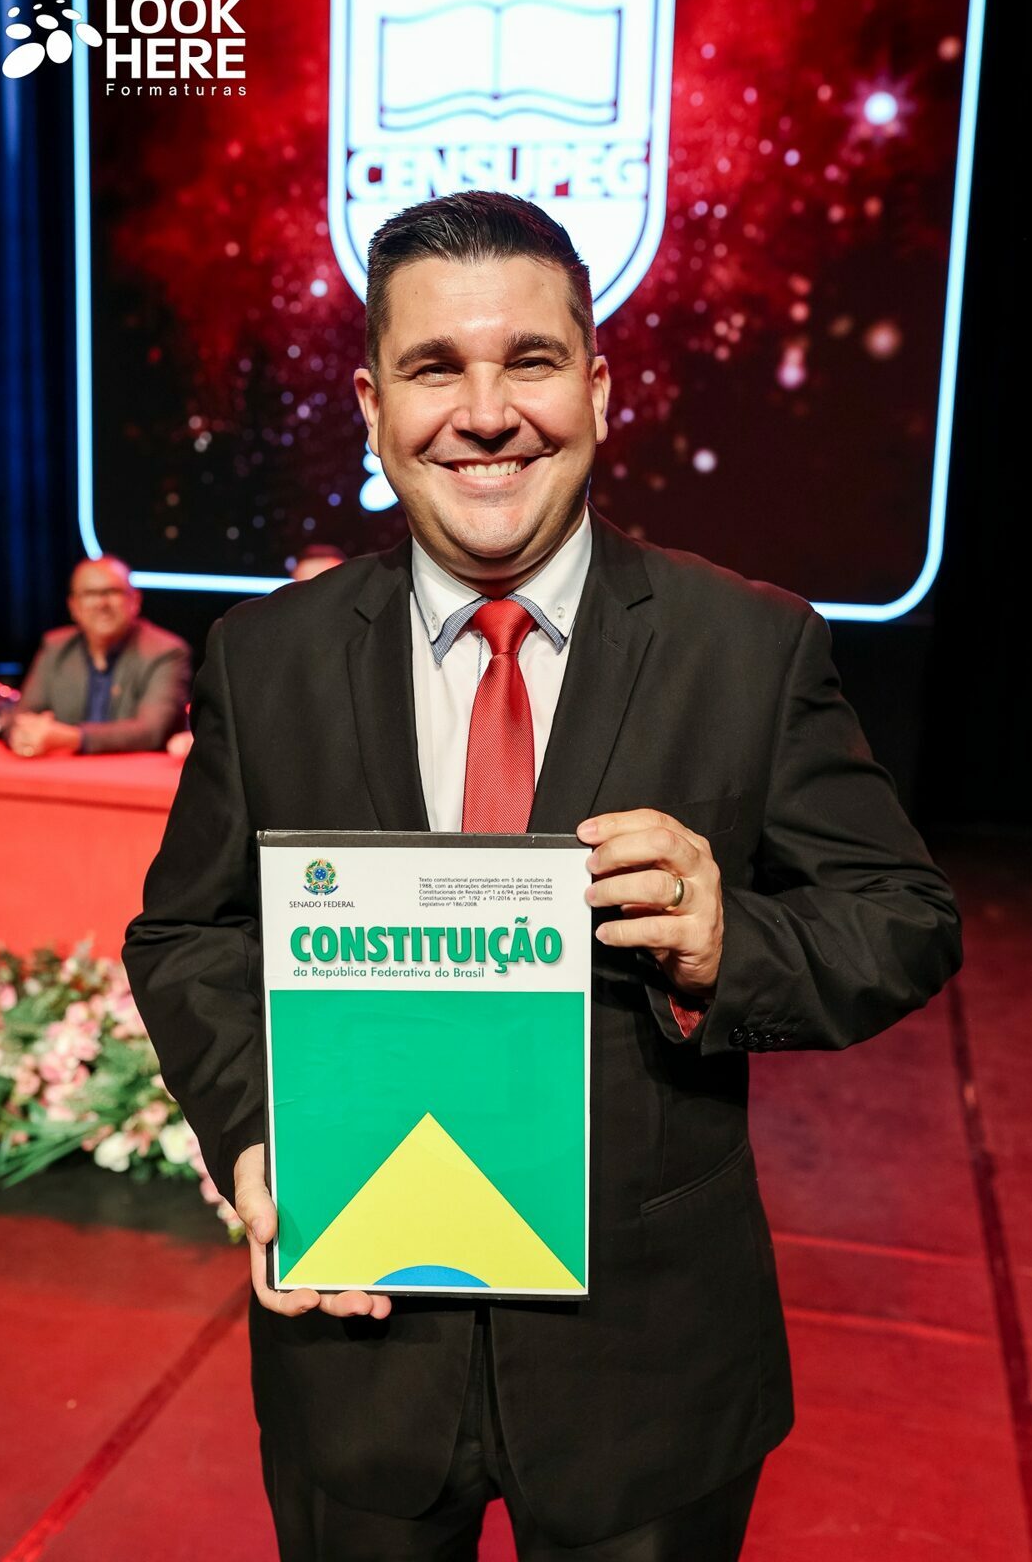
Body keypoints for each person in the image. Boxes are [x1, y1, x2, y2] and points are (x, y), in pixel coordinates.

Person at [123, 192, 961, 1561]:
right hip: (358, 1361)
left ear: (599, 389)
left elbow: (902, 920)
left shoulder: (745, 646)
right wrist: (260, 1136)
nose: (484, 412)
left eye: (529, 360)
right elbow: (189, 935)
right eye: (433, 367)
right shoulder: (266, 658)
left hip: (646, 1377)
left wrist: (725, 942)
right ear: (373, 407)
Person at [9, 556, 191, 757]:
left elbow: (151, 731)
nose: (101, 603)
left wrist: (71, 738)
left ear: (135, 600)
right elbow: (19, 718)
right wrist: (24, 734)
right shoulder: (55, 647)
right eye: (90, 594)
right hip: (62, 772)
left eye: (112, 592)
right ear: (74, 606)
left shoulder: (166, 652)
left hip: (134, 773)